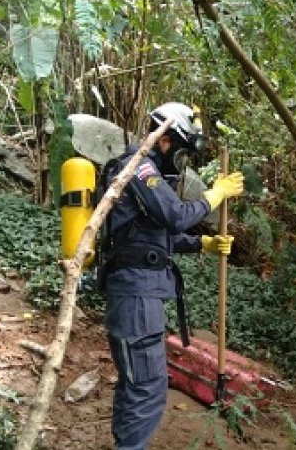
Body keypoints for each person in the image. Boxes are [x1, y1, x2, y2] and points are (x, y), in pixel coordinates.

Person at [100, 102, 244, 449]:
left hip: (138, 295)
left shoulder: (142, 171)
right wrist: (216, 194)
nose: (179, 161)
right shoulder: (137, 168)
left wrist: (203, 244)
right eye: (180, 151)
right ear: (165, 140)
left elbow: (156, 236)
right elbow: (175, 215)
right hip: (136, 297)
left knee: (135, 384)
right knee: (147, 389)